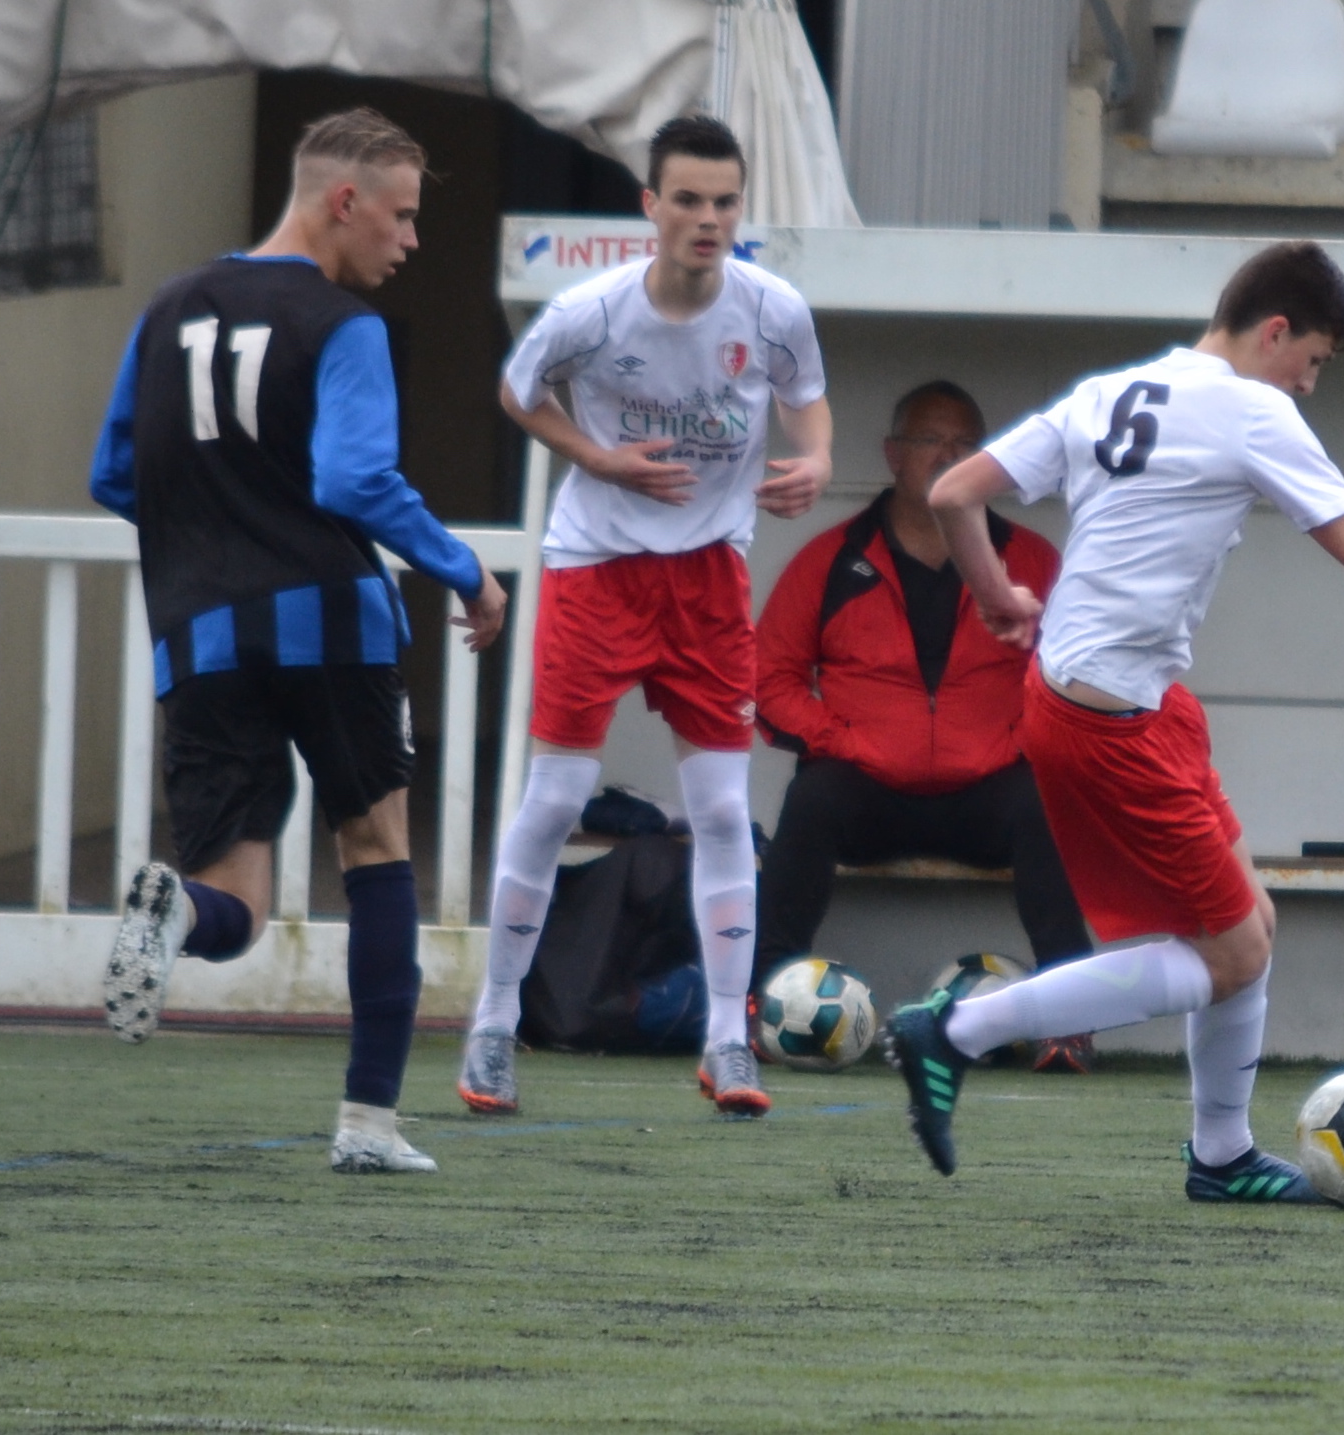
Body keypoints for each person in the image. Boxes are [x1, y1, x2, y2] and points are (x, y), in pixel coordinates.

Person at [879, 241, 1344, 1200]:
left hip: (1118, 697)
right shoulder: (1252, 408)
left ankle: (1219, 1155)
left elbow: (954, 491)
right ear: (1277, 329)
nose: (1309, 385)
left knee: (1250, 922)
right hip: (1109, 717)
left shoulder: (1112, 391)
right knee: (1233, 953)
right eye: (1316, 362)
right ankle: (957, 1029)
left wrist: (998, 590)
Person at [94, 107, 508, 1174]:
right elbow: (354, 480)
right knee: (375, 854)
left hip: (202, 634)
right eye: (403, 216)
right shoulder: (344, 327)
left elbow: (113, 475)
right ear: (343, 202)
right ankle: (368, 1123)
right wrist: (466, 568)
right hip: (330, 625)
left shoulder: (167, 306)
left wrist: (215, 531)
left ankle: (168, 911)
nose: (411, 242)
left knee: (233, 895)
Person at [455, 115, 832, 1118]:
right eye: (689, 201)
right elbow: (515, 390)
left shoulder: (773, 306)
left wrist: (817, 460)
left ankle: (725, 1038)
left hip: (709, 579)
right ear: (650, 208)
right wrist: (597, 455)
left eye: (724, 203)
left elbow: (808, 395)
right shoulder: (592, 311)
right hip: (598, 571)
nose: (707, 220)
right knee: (552, 801)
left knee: (719, 811)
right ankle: (493, 1025)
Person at [752, 380, 1101, 1071]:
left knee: (1048, 804)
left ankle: (1068, 1019)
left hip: (988, 789)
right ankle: (757, 998)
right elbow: (768, 679)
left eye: (966, 443)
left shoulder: (1030, 560)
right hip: (867, 785)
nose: (948, 454)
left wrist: (1022, 741)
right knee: (811, 799)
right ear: (893, 455)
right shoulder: (829, 560)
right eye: (930, 439)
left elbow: (1078, 672)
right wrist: (838, 740)